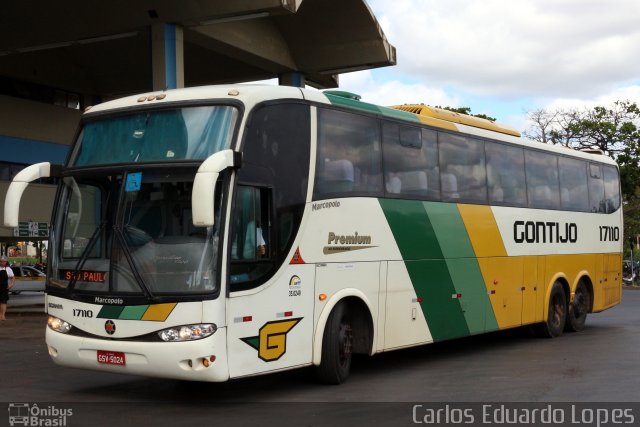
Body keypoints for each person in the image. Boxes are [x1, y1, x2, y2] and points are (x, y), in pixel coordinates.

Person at [0, 255, 16, 321]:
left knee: (3, 302)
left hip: (4, 288)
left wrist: (11, 284)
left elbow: (13, 278)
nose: (2, 263)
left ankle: (2, 315)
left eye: (4, 262)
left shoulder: (8, 269)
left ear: (6, 262)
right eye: (1, 262)